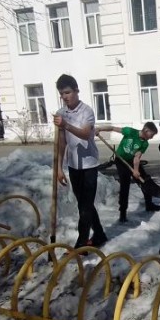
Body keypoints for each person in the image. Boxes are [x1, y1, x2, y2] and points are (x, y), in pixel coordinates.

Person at [53, 74, 108, 249]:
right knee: (84, 204)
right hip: (73, 166)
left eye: (68, 92)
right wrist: (59, 168)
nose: (65, 97)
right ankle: (99, 234)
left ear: (76, 90)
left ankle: (81, 244)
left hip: (90, 165)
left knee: (84, 208)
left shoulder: (87, 111)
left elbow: (85, 134)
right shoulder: (61, 113)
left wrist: (66, 125)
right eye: (62, 94)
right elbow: (62, 142)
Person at [98, 122, 160, 223]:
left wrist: (136, 171)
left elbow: (137, 157)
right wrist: (99, 129)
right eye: (152, 134)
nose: (151, 137)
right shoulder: (130, 132)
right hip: (120, 160)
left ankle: (149, 205)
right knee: (125, 185)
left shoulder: (144, 143)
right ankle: (122, 213)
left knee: (145, 180)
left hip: (132, 161)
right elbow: (112, 128)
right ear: (146, 131)